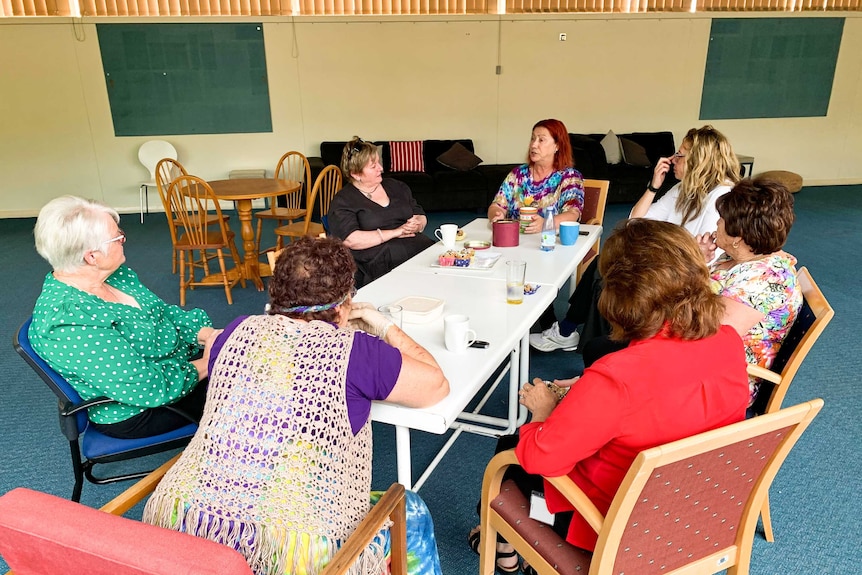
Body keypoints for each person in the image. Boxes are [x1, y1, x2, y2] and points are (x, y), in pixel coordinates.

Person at [144, 236, 449, 575]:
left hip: (184, 520)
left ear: (275, 295)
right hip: (293, 543)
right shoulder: (357, 351)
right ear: (345, 302)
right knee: (412, 508)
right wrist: (383, 325)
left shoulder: (232, 333)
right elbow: (435, 385)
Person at [468, 219, 750, 574]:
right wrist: (589, 393)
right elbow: (666, 398)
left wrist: (544, 412)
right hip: (698, 514)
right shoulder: (727, 341)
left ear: (620, 296)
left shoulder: (617, 377)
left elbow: (541, 460)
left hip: (614, 531)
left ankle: (503, 549)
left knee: (510, 451)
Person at [531, 124, 740, 352]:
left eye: (680, 154)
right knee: (605, 265)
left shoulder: (721, 196)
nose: (673, 159)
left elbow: (706, 257)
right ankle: (575, 336)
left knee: (608, 280)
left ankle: (582, 340)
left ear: (699, 160)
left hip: (685, 276)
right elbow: (634, 222)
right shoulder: (683, 190)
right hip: (667, 263)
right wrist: (653, 186)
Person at [29, 196, 219, 440]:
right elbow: (147, 388)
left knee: (258, 350)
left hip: (178, 365)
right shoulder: (68, 321)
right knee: (257, 385)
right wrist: (213, 360)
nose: (124, 239)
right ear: (92, 256)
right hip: (143, 407)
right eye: (117, 237)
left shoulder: (115, 276)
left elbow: (162, 313)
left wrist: (207, 335)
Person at [705, 177, 803, 410]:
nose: (717, 223)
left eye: (722, 219)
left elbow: (707, 334)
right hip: (704, 363)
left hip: (723, 382)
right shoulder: (741, 257)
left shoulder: (763, 281)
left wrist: (693, 269)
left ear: (738, 236)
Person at [327, 137, 435, 287]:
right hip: (375, 260)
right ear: (355, 174)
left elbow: (419, 213)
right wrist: (395, 232)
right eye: (373, 166)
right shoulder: (343, 201)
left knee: (438, 256)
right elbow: (351, 239)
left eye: (379, 162)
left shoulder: (397, 186)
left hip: (414, 247)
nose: (381, 168)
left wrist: (417, 224)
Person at [488, 119, 584, 233]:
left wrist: (546, 223)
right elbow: (497, 205)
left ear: (557, 146)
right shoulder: (517, 174)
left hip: (549, 242)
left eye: (541, 140)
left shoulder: (569, 177)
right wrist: (497, 215)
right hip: (514, 239)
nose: (533, 145)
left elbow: (573, 214)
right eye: (533, 138)